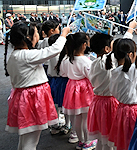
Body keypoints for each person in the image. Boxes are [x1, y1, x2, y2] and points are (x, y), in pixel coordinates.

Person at [4, 22, 70, 150]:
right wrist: (63, 34)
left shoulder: (15, 55)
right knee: (31, 141)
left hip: (24, 98)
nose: (38, 36)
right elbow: (53, 50)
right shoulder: (26, 56)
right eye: (36, 34)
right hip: (32, 100)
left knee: (26, 139)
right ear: (28, 38)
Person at [107, 26, 137, 150]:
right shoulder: (134, 70)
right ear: (131, 54)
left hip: (121, 110)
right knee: (135, 141)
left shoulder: (114, 71)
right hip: (134, 112)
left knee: (124, 141)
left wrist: (129, 31)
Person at [56, 32, 97, 150]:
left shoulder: (66, 59)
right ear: (84, 45)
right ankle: (88, 141)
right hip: (85, 90)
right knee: (86, 117)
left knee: (77, 118)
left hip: (72, 88)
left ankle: (81, 141)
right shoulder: (85, 61)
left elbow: (63, 73)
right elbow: (91, 77)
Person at [87, 32, 117, 150]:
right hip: (109, 103)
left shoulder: (94, 63)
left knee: (101, 136)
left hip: (98, 102)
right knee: (109, 138)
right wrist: (130, 31)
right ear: (107, 49)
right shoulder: (107, 61)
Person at [47, 34, 72, 135]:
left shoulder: (49, 53)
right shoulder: (64, 57)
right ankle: (67, 124)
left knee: (55, 104)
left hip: (52, 80)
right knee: (65, 105)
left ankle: (54, 124)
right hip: (63, 81)